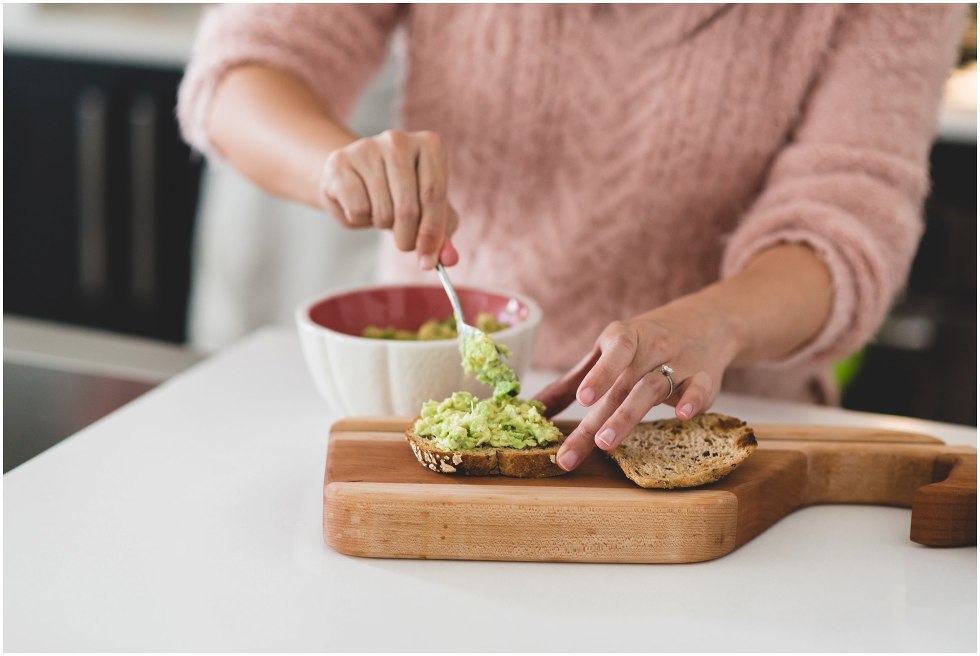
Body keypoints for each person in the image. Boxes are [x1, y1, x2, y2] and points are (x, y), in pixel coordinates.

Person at [177, 4, 964, 471]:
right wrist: (336, 167)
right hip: (436, 398)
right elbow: (247, 69)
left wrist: (718, 323)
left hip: (722, 431)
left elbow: (848, 223)